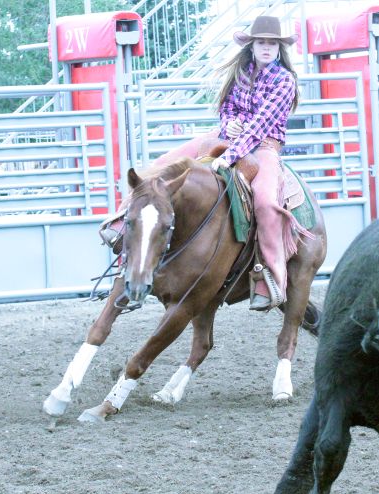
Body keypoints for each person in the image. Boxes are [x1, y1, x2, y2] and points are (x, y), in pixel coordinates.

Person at [106, 16, 312, 311]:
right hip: (228, 136)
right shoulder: (241, 73)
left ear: (280, 49)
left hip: (264, 145)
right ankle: (121, 220)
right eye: (262, 42)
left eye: (272, 44)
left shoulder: (285, 81)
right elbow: (227, 110)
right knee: (164, 165)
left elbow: (260, 126)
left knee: (266, 202)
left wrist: (228, 156)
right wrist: (230, 128)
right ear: (252, 46)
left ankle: (270, 277)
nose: (267, 48)